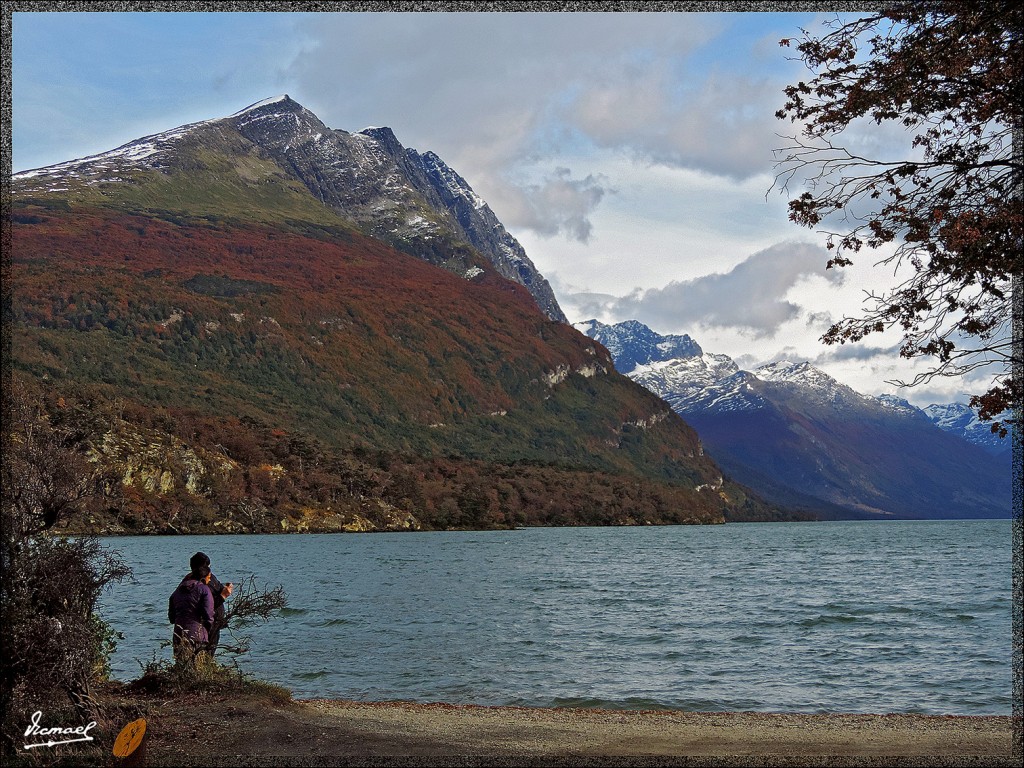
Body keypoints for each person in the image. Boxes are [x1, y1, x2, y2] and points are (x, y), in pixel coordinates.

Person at [187, 551, 234, 656]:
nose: (209, 570)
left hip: (216, 621)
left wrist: (225, 589)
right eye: (207, 567)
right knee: (206, 652)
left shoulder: (211, 577)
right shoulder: (196, 584)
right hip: (206, 623)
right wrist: (223, 596)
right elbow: (206, 606)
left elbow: (218, 587)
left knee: (210, 650)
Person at [167, 562, 214, 659]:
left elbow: (172, 617)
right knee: (198, 667)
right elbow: (208, 614)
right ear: (204, 577)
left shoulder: (178, 590)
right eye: (209, 577)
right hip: (197, 635)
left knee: (181, 666)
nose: (210, 580)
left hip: (179, 635)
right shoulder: (204, 589)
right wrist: (209, 629)